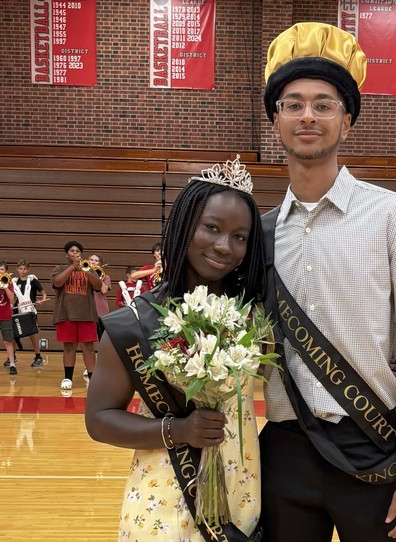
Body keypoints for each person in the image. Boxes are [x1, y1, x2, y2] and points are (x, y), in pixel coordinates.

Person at [259, 22, 396, 541]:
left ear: (347, 121)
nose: (308, 116)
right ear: (276, 120)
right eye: (293, 104)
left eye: (324, 104)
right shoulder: (259, 233)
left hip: (375, 445)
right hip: (285, 450)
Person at [86, 157, 266, 541]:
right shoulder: (134, 321)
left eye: (240, 237)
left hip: (241, 490)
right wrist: (180, 429)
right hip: (164, 497)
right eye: (212, 228)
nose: (224, 246)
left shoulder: (252, 317)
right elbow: (99, 419)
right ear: (185, 225)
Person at [50, 240, 102, 390]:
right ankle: (67, 378)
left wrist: (88, 272)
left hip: (87, 315)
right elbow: (58, 283)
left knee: (89, 348)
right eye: (72, 251)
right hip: (66, 314)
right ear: (67, 254)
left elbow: (98, 286)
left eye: (78, 251)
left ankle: (93, 379)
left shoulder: (89, 269)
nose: (75, 253)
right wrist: (73, 267)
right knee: (69, 347)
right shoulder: (60, 268)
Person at [11, 260, 47, 367]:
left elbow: (44, 294)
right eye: (20, 269)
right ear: (17, 269)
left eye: (24, 269)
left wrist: (42, 300)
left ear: (28, 269)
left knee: (32, 335)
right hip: (17, 311)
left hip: (30, 312)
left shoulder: (33, 281)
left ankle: (38, 356)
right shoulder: (14, 282)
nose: (22, 271)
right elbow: (12, 298)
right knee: (13, 335)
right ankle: (12, 356)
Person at [88, 253, 112, 317]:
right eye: (91, 260)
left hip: (100, 311)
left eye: (96, 261)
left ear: (100, 264)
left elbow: (104, 291)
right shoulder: (84, 275)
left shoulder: (105, 277)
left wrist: (99, 276)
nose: (93, 262)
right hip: (87, 309)